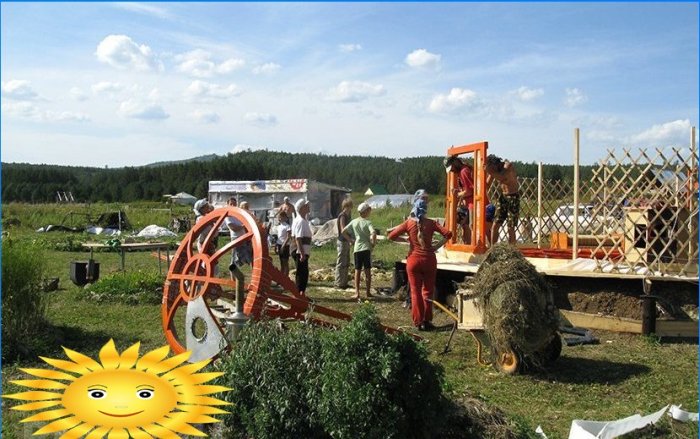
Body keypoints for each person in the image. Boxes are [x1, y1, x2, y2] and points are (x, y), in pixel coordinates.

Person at [388, 190, 452, 331]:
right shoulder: (432, 223)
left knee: (415, 292)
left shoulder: (408, 223)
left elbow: (391, 236)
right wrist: (435, 246)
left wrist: (406, 239)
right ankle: (427, 321)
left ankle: (418, 322)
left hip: (413, 260)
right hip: (429, 260)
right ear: (425, 208)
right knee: (427, 292)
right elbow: (448, 234)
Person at [342, 202, 377, 301]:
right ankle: (368, 292)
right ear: (365, 211)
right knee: (367, 271)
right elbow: (373, 233)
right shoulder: (368, 222)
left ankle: (357, 292)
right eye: (368, 210)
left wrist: (351, 240)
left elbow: (343, 232)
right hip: (366, 248)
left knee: (357, 271)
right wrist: (373, 243)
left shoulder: (354, 222)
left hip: (357, 248)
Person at [484, 154, 519, 245]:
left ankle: (512, 251)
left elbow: (503, 177)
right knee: (495, 224)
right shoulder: (494, 171)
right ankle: (492, 250)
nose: (491, 170)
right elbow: (487, 185)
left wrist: (489, 171)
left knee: (510, 227)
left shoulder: (508, 166)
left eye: (491, 168)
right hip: (503, 197)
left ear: (495, 164)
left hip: (513, 197)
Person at [444, 155, 474, 244]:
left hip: (472, 203)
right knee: (465, 225)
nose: (452, 171)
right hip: (468, 204)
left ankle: (474, 247)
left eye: (451, 168)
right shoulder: (463, 170)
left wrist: (457, 194)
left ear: (455, 162)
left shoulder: (464, 171)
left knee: (471, 226)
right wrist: (460, 191)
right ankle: (467, 245)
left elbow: (469, 191)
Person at [224, 197, 253, 271]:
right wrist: (244, 225)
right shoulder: (228, 216)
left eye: (234, 204)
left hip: (243, 238)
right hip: (236, 239)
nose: (233, 205)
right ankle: (233, 278)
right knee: (234, 259)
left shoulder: (236, 215)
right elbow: (234, 228)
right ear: (227, 204)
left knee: (247, 256)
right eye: (231, 204)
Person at [291, 199, 313, 295]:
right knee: (302, 273)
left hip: (302, 250)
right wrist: (302, 253)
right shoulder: (300, 221)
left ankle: (301, 293)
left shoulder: (303, 220)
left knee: (303, 273)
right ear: (302, 208)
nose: (308, 207)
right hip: (300, 251)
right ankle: (299, 293)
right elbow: (298, 238)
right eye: (306, 205)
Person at [334, 198, 353, 289]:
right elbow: (342, 230)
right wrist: (349, 239)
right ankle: (338, 283)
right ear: (346, 206)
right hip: (342, 241)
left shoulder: (348, 216)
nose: (351, 208)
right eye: (349, 206)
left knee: (346, 262)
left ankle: (344, 282)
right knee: (341, 262)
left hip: (346, 241)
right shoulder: (342, 216)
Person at [276, 210, 292, 276]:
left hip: (285, 246)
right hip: (279, 245)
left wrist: (283, 245)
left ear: (285, 217)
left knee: (285, 262)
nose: (279, 219)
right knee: (281, 262)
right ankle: (281, 277)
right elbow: (279, 237)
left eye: (281, 217)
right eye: (278, 217)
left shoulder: (287, 226)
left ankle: (286, 277)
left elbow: (288, 237)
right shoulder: (279, 226)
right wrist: (277, 245)